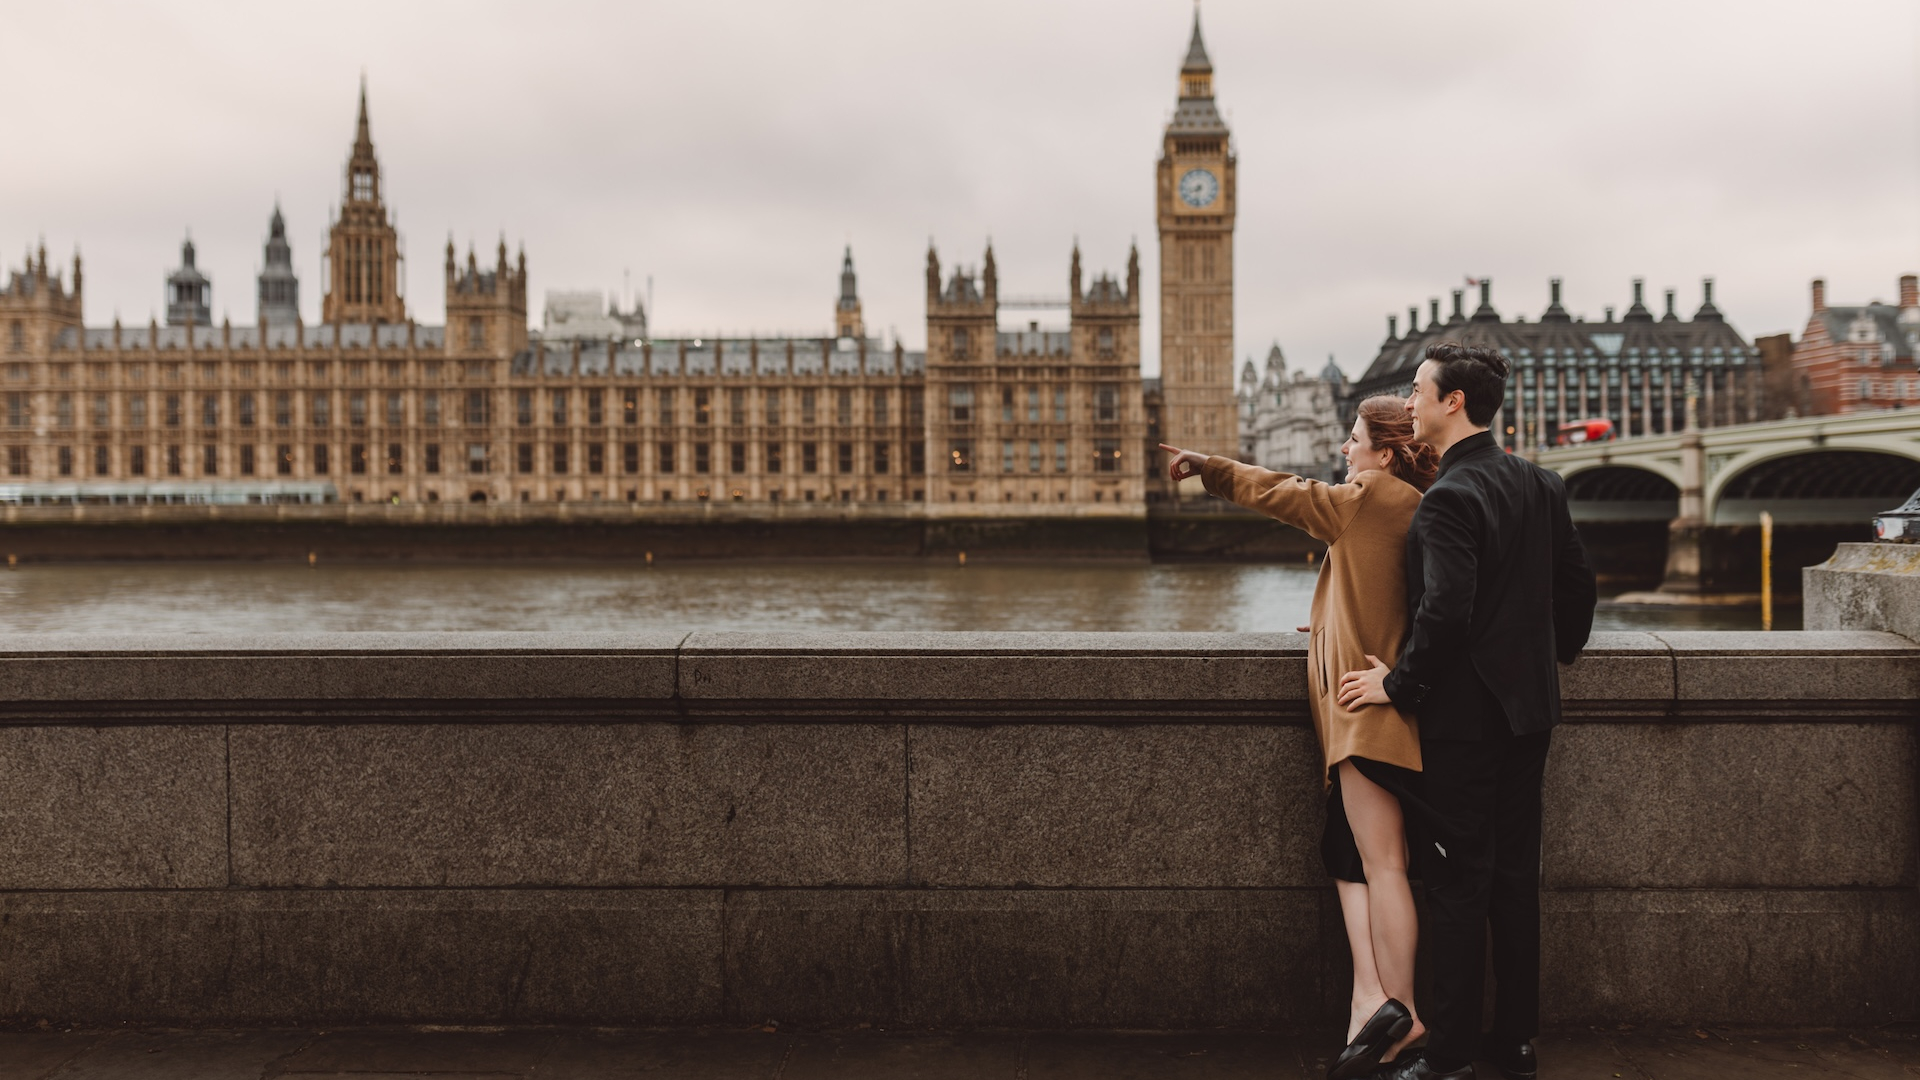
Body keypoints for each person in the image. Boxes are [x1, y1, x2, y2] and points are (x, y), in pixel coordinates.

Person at [1338, 341, 1597, 1080]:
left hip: (1464, 724)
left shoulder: (1450, 496)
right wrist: (1544, 662)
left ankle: (1446, 1056)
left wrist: (1398, 686)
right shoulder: (1541, 483)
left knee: (1456, 886)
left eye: (1419, 391)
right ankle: (1514, 1041)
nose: (1410, 402)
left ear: (1454, 403)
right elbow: (1577, 591)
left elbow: (1446, 614)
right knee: (1515, 880)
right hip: (1529, 716)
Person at [1161, 394, 1439, 1079]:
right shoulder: (1412, 506)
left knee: (1383, 866)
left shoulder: (1369, 495)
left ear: (1384, 452)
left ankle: (1401, 1015)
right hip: (1371, 706)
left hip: (1365, 713)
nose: (1343, 452)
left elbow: (1285, 493)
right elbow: (1380, 598)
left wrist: (1209, 468)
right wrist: (1329, 629)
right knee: (1356, 858)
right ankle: (1377, 1006)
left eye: (1353, 441)